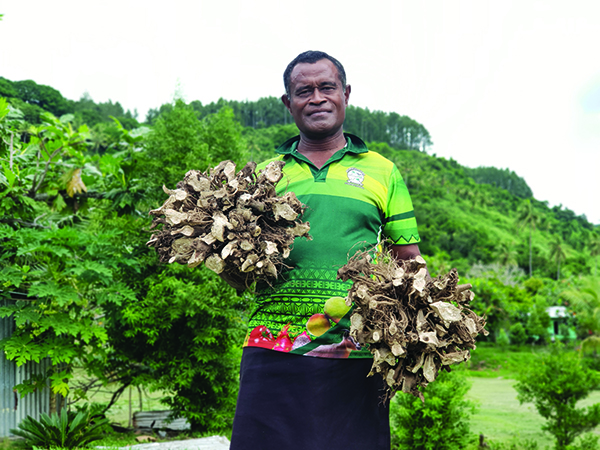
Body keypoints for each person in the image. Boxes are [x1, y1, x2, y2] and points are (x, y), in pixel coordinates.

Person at [228, 50, 422, 450]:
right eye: (304, 90)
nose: (316, 97)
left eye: (326, 87)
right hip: (272, 345)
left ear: (345, 94)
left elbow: (410, 260)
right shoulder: (267, 175)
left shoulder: (383, 171)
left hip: (355, 352)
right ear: (288, 103)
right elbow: (239, 257)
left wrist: (423, 325)